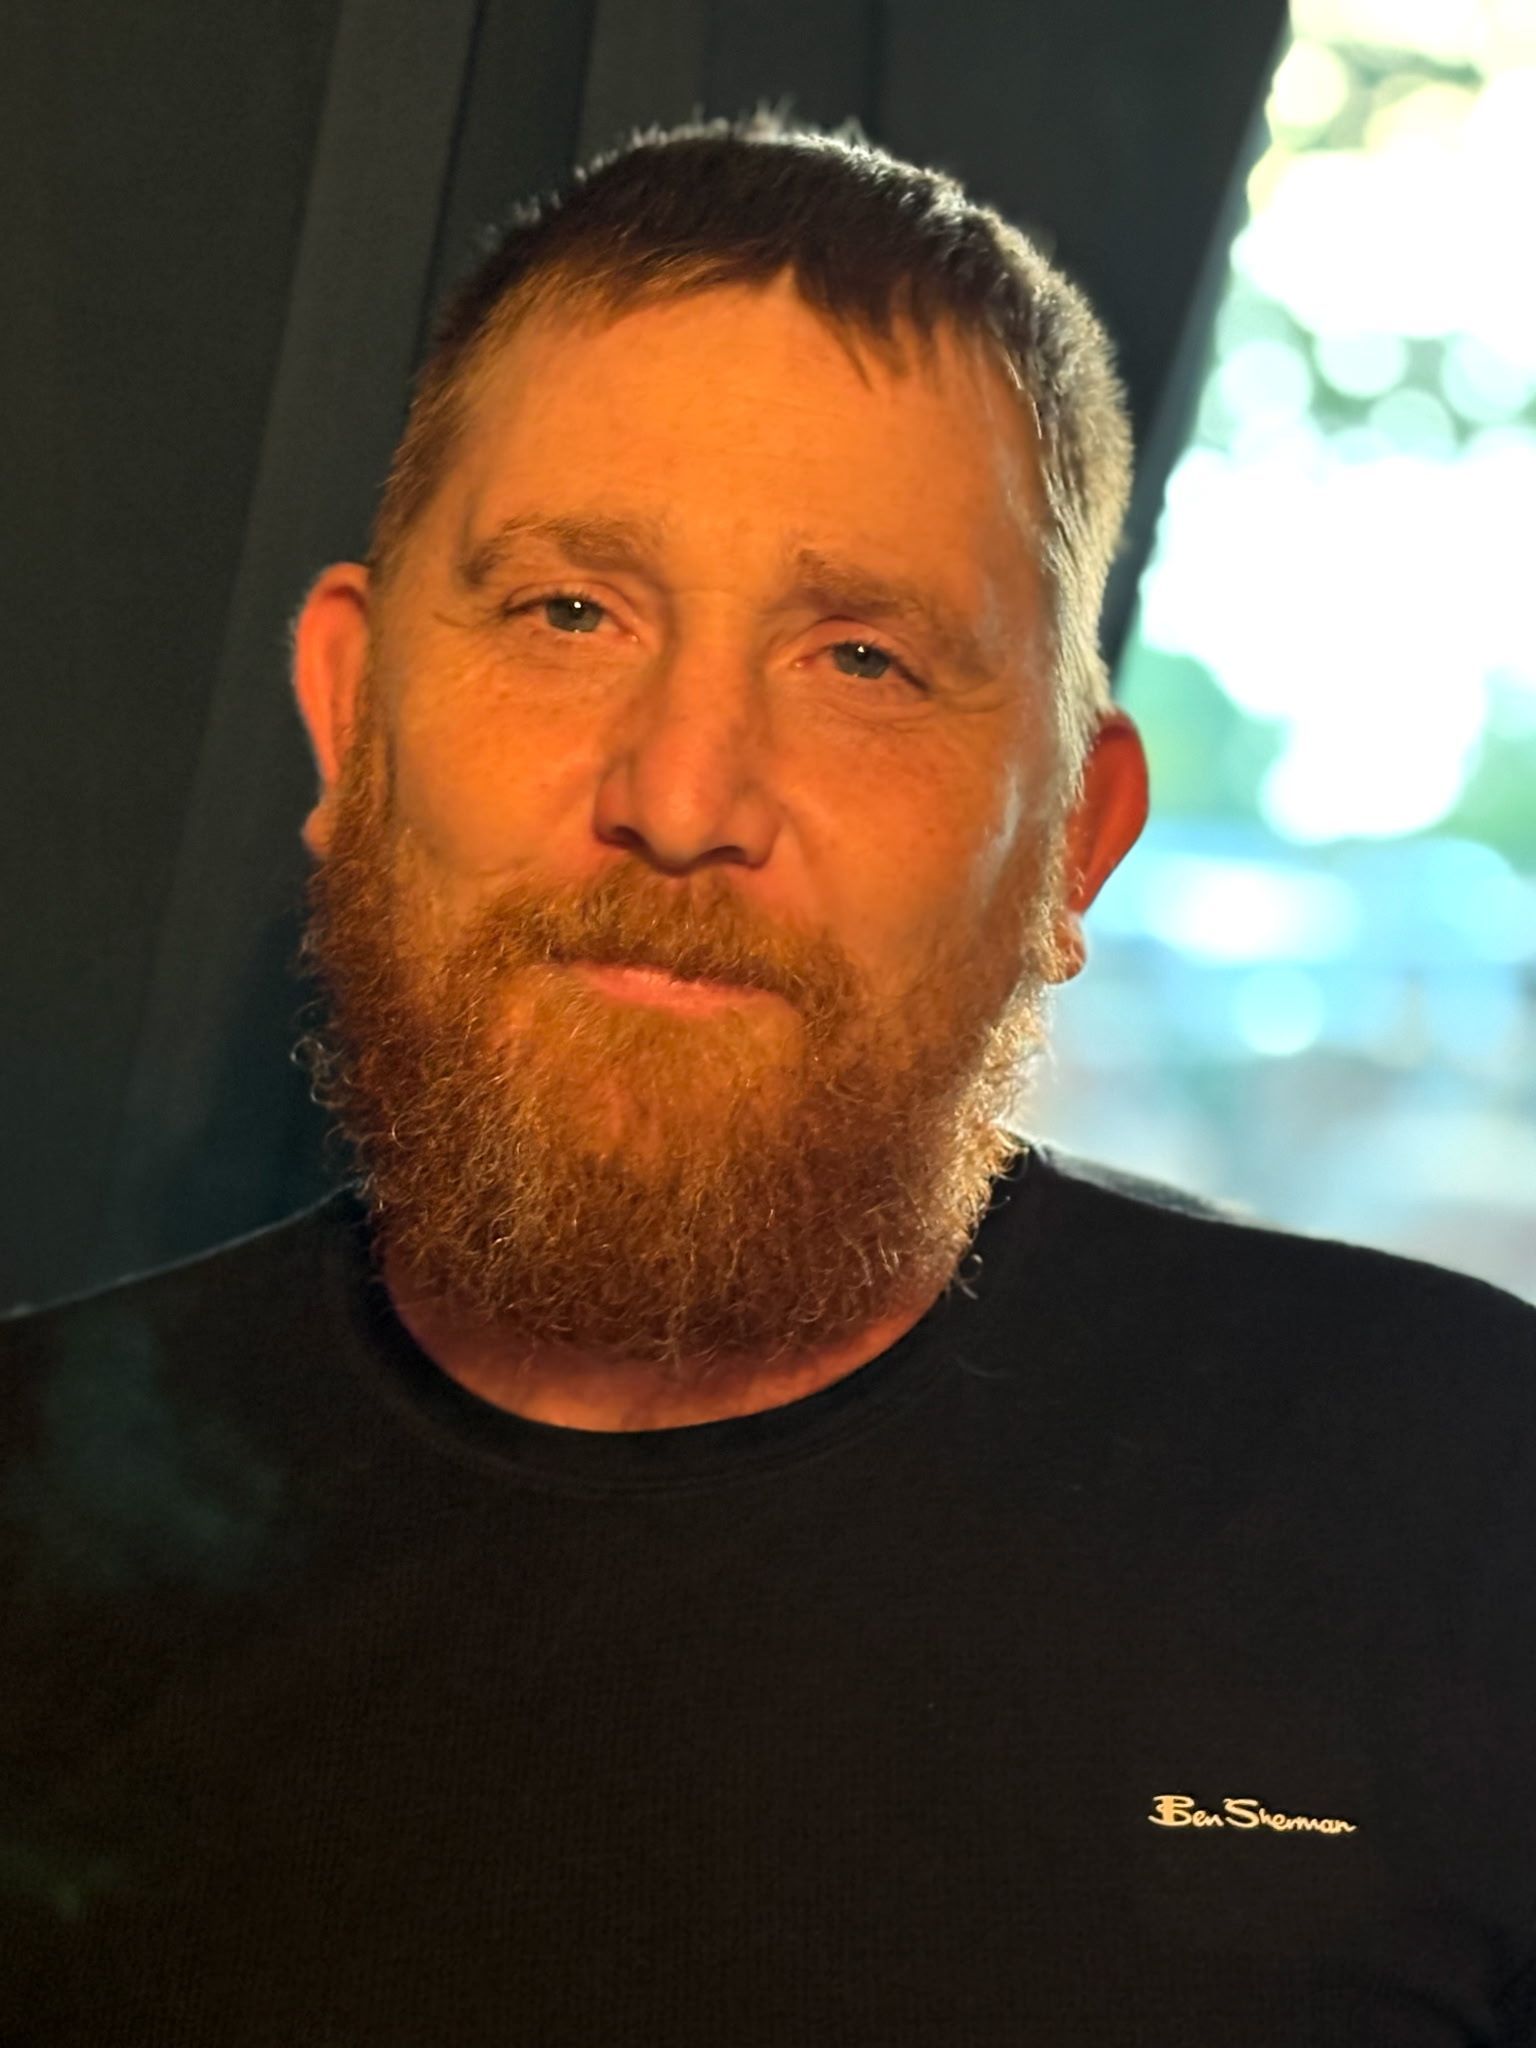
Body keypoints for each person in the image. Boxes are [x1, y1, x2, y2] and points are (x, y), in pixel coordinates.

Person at [2, 106, 1533, 2047]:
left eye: (864, 659)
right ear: (349, 716)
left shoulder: (1471, 1502)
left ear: (1072, 844)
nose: (683, 796)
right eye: (570, 612)